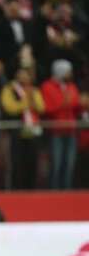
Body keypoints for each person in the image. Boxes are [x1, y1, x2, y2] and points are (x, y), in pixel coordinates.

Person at [41, 59, 80, 189]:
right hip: (56, 131)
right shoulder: (47, 86)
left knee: (69, 165)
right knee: (56, 164)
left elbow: (76, 104)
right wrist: (64, 103)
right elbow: (47, 108)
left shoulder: (72, 86)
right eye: (69, 71)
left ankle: (67, 192)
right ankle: (54, 192)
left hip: (71, 130)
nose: (71, 74)